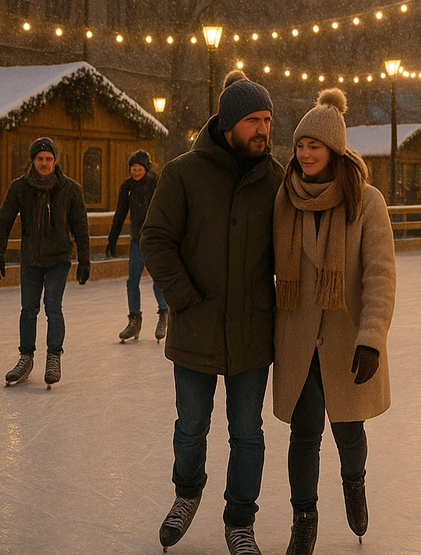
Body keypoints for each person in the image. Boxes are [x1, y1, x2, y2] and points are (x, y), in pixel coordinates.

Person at [141, 70, 284, 555]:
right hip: (196, 326)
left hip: (251, 331)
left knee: (248, 433)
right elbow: (155, 239)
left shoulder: (276, 179)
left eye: (267, 119)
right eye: (253, 120)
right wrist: (183, 297)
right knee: (191, 426)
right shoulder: (183, 173)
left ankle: (240, 520)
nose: (263, 129)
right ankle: (187, 492)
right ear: (228, 125)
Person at [271, 88, 397, 555]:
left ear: (335, 150)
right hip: (298, 339)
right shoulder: (285, 199)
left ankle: (354, 481)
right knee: (304, 433)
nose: (304, 154)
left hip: (347, 339)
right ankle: (304, 516)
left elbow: (381, 276)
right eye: (300, 145)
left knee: (348, 429)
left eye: (314, 146)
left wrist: (371, 339)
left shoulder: (366, 202)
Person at [0, 137, 91, 388]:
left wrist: (85, 260)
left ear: (55, 161)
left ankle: (53, 357)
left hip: (59, 258)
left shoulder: (70, 189)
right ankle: (26, 357)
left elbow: (80, 227)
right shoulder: (20, 187)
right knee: (28, 308)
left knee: (53, 306)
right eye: (40, 159)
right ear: (33, 161)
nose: (44, 163)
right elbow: (3, 221)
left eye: (48, 158)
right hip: (31, 259)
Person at [106, 149, 168, 343]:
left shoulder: (155, 183)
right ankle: (134, 319)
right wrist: (112, 238)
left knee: (158, 277)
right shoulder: (127, 187)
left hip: (156, 239)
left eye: (139, 168)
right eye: (133, 168)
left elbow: (167, 208)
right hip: (136, 240)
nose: (135, 171)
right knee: (132, 280)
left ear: (146, 168)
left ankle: (164, 314)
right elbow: (121, 212)